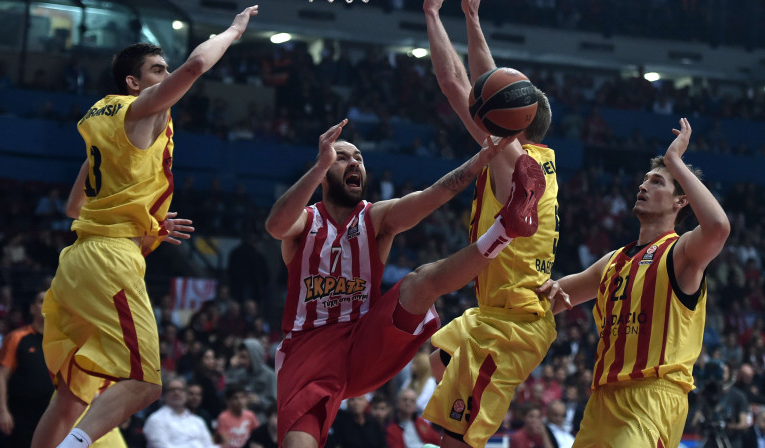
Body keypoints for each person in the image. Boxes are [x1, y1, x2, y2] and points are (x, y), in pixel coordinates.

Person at [30, 6, 259, 448]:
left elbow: (74, 205)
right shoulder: (142, 111)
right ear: (133, 83)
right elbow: (195, 65)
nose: (169, 74)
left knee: (69, 398)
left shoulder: (103, 118)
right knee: (145, 383)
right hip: (110, 260)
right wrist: (232, 31)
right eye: (158, 69)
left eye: (166, 68)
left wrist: (147, 222)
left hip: (76, 262)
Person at [266, 117, 544, 448]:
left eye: (359, 158)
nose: (354, 161)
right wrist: (318, 167)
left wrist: (480, 159)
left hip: (364, 340)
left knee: (420, 281)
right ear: (324, 173)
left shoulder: (375, 217)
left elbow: (432, 196)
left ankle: (506, 229)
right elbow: (275, 225)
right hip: (308, 352)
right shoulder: (305, 221)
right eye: (341, 157)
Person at [537, 119, 730, 447]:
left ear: (679, 201)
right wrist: (548, 289)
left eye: (656, 182)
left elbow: (718, 227)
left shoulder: (680, 251)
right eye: (644, 181)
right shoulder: (611, 262)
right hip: (601, 399)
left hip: (651, 396)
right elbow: (551, 298)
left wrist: (675, 163)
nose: (643, 187)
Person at [422, 0, 563, 446]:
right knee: (440, 358)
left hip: (511, 324)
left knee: (451, 440)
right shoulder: (534, 161)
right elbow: (483, 84)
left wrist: (430, 13)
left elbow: (455, 84)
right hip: (497, 311)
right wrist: (471, 17)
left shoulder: (513, 164)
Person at [0, 291, 54, 447]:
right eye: (41, 301)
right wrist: (2, 411)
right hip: (21, 414)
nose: (47, 305)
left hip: (51, 413)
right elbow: (1, 376)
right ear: (32, 308)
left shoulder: (61, 340)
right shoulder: (17, 337)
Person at [142, 377, 215, 448]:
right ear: (164, 395)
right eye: (172, 390)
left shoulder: (198, 421)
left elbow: (209, 445)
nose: (177, 392)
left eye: (181, 390)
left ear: (186, 394)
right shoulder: (156, 419)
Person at [226, 338, 276, 423]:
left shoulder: (269, 375)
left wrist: (259, 401)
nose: (241, 361)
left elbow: (275, 404)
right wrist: (232, 369)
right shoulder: (240, 373)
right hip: (241, 416)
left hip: (262, 418)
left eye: (244, 357)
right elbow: (228, 392)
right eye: (239, 356)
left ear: (254, 356)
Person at [216, 384, 260, 448]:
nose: (240, 401)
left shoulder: (250, 415)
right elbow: (224, 443)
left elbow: (258, 437)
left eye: (242, 397)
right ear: (228, 401)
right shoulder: (223, 418)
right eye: (235, 398)